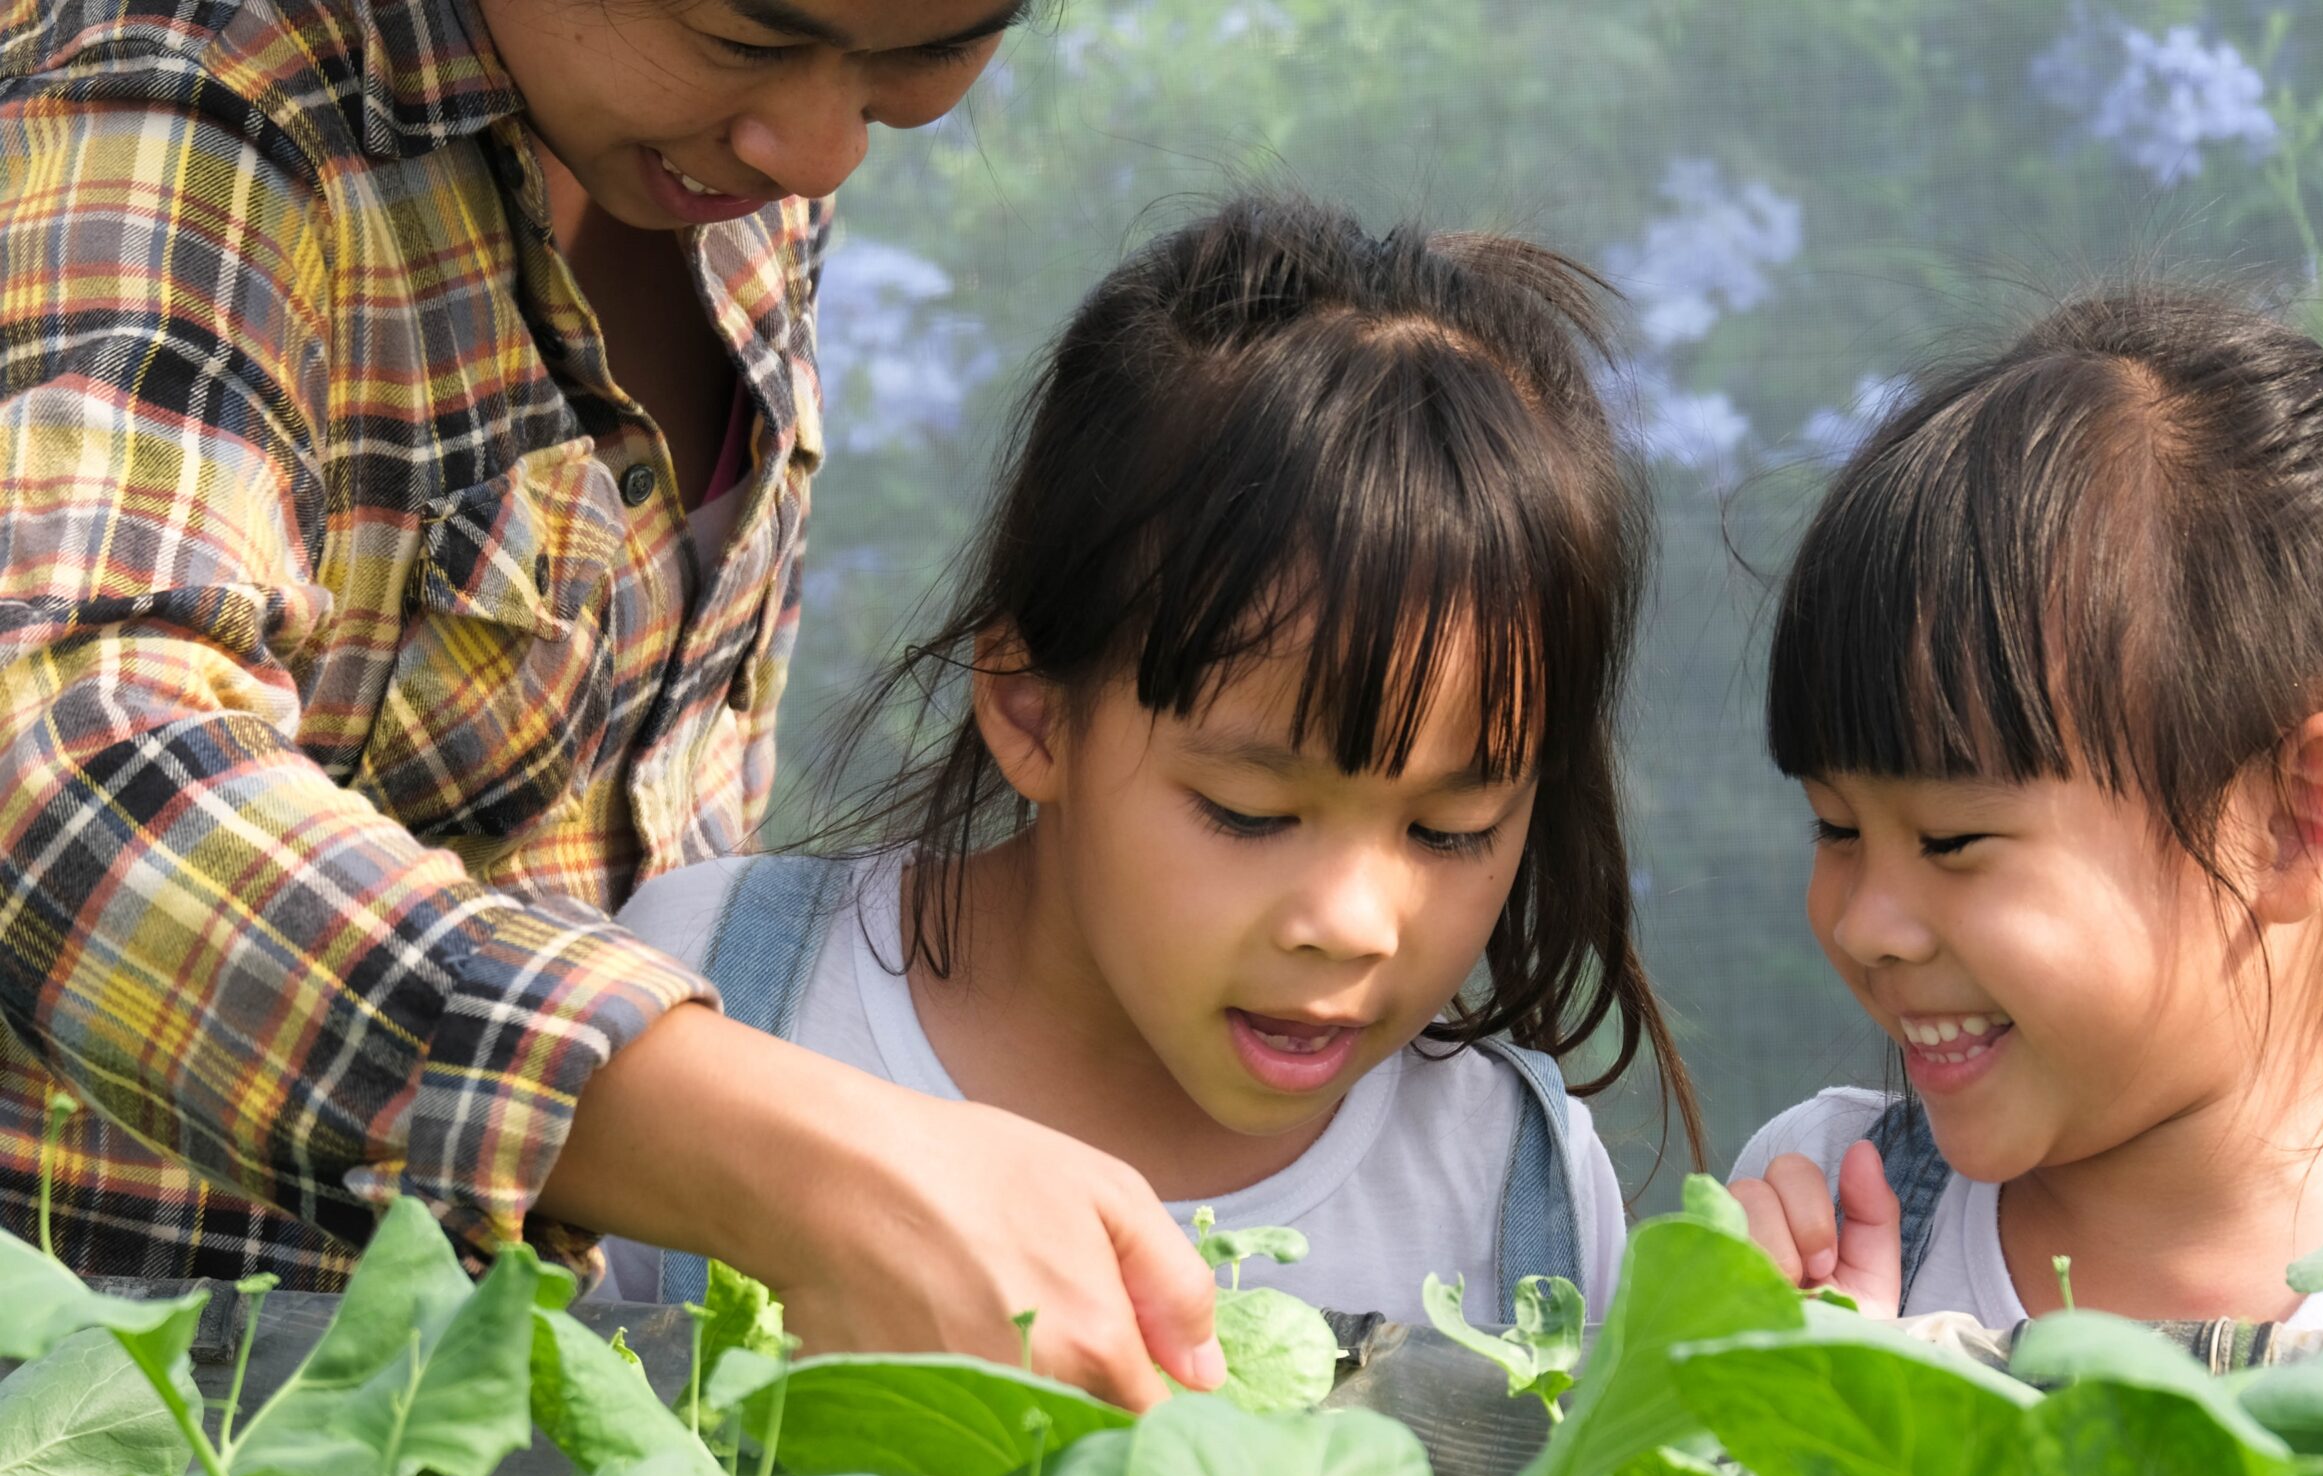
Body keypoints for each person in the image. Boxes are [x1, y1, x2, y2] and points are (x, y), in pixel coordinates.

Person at [0, 0, 1227, 1409]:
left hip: (543, 1411)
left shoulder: (713, 156)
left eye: (929, 50)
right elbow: (65, 762)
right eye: (747, 34)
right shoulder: (186, 102)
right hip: (135, 1424)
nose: (824, 148)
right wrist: (796, 1158)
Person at [609, 195, 1704, 1322]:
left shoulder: (1515, 1198)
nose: (1354, 923)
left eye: (1450, 830)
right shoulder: (712, 1004)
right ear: (1032, 709)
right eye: (1246, 809)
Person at [1729, 287, 2323, 1331]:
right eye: (1836, 828)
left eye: (1951, 840)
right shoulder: (1811, 1214)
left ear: (2299, 819)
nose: (1862, 925)